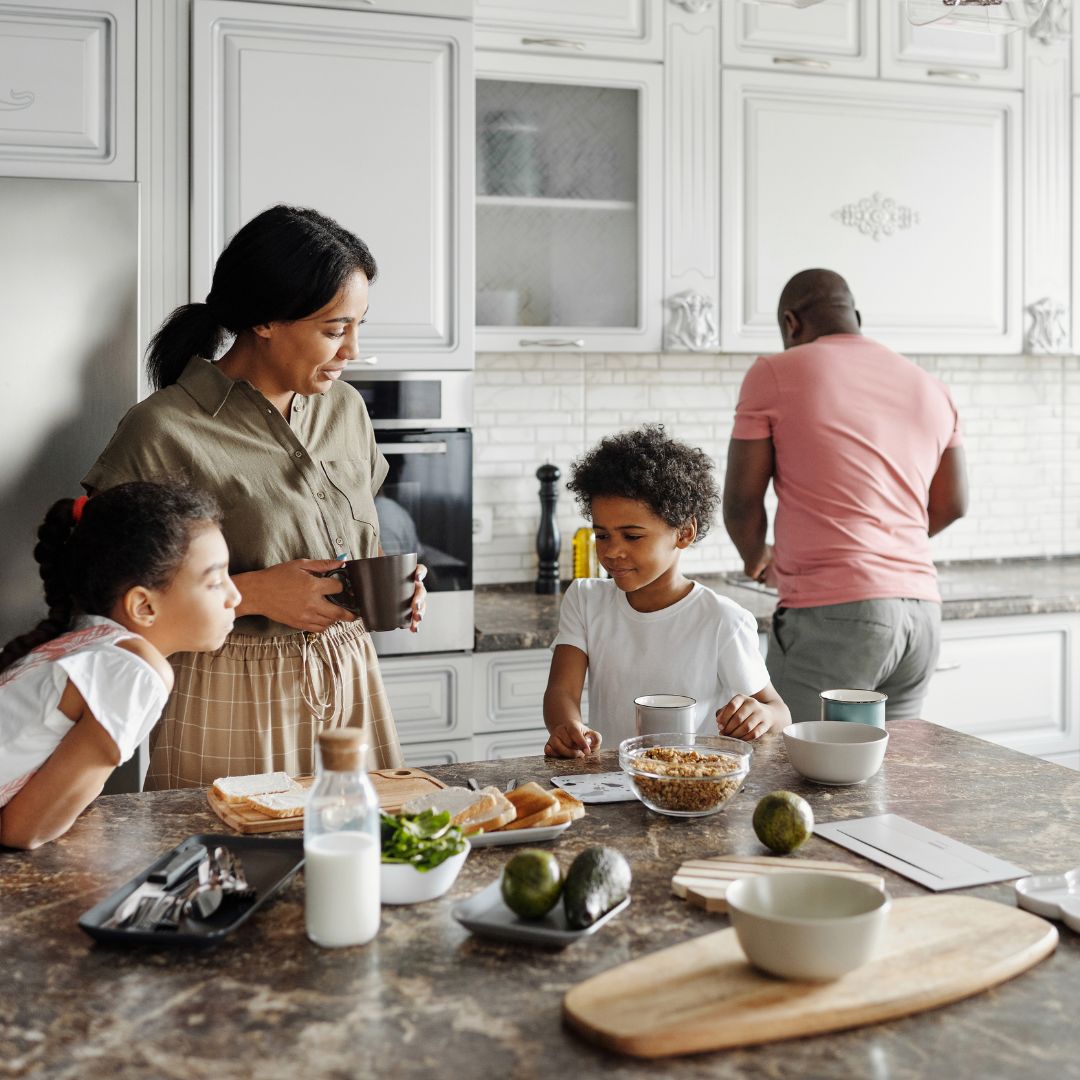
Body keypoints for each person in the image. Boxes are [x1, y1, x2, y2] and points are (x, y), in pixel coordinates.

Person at [83, 205, 425, 789]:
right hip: (225, 687)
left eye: (357, 327)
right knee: (232, 868)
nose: (353, 351)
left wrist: (392, 586)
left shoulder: (346, 410)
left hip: (351, 676)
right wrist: (250, 594)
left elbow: (354, 532)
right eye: (335, 329)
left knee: (362, 863)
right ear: (265, 320)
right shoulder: (165, 428)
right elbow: (104, 598)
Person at [722, 268, 969, 724]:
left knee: (792, 770)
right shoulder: (930, 386)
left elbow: (740, 501)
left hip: (834, 613)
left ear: (791, 323)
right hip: (921, 617)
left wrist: (756, 558)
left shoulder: (775, 372)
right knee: (890, 773)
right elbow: (953, 504)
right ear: (854, 315)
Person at [0, 482, 239, 849]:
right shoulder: (133, 671)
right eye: (215, 581)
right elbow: (23, 830)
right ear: (143, 606)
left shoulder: (89, 643)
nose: (235, 596)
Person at [542, 424, 790, 758]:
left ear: (684, 534)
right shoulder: (586, 600)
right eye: (602, 535)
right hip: (611, 780)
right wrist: (566, 726)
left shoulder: (722, 619)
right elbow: (561, 690)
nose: (612, 551)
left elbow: (778, 710)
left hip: (691, 784)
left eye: (632, 536)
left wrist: (761, 715)